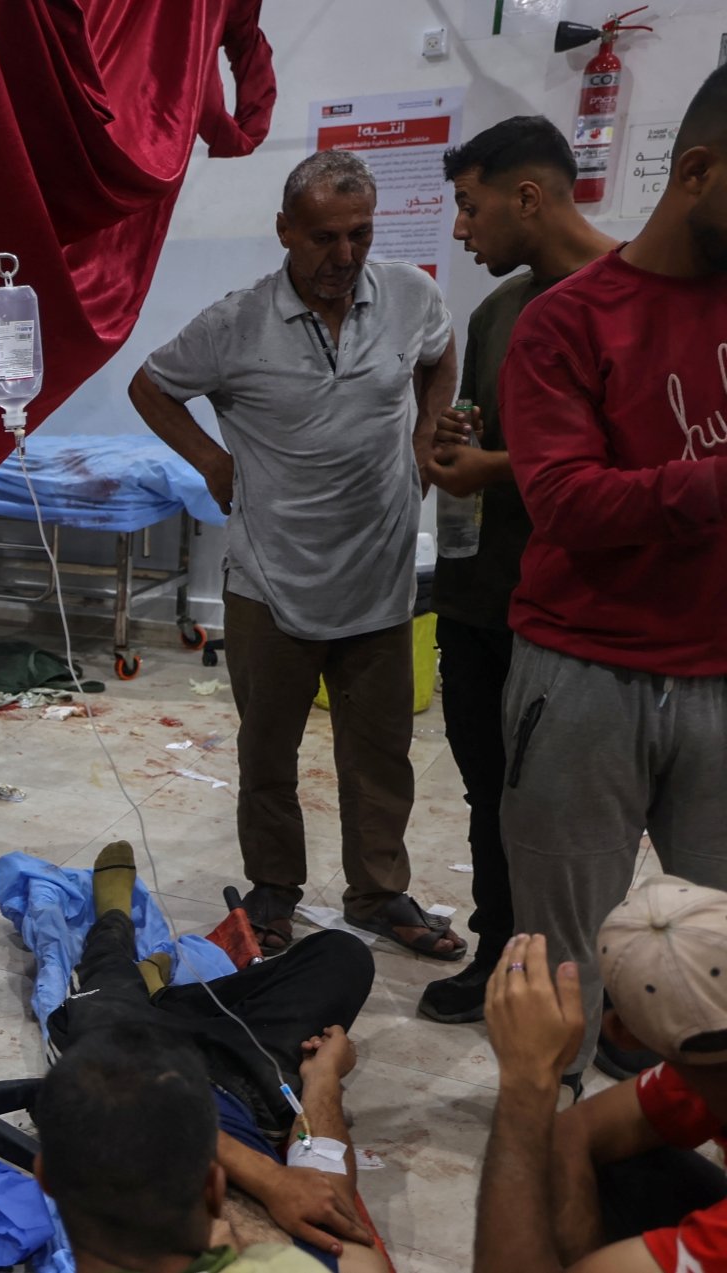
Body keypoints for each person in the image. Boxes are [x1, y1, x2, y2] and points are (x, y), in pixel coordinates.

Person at [130, 148, 465, 962]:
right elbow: (151, 385)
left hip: (379, 576)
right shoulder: (234, 322)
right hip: (270, 582)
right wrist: (211, 461)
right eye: (322, 237)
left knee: (379, 753)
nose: (342, 257)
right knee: (267, 752)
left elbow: (439, 352)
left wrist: (425, 433)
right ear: (285, 230)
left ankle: (380, 892)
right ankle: (275, 892)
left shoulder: (411, 295)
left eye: (358, 234)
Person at [496, 62, 727, 1086]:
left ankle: (683, 1178)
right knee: (564, 965)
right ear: (697, 172)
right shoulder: (566, 323)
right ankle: (546, 1173)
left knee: (711, 962)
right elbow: (568, 506)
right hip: (581, 670)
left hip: (718, 672)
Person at [415, 116, 620, 1026]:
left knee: (580, 818)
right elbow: (507, 435)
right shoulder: (502, 308)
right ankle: (502, 956)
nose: (461, 230)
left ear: (526, 197)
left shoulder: (635, 302)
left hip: (584, 615)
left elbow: (626, 461)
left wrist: (495, 465)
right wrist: (461, 441)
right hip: (481, 595)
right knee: (491, 790)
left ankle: (601, 987)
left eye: (470, 207)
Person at [48, 844, 382, 1270]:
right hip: (250, 1086)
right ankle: (164, 997)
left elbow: (127, 1119)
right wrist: (324, 1080)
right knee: (342, 953)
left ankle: (116, 927)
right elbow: (327, 1194)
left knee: (106, 985)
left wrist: (264, 1177)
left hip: (131, 1076)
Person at [475, 883, 727, 1273]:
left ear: (623, 1034)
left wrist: (527, 1083)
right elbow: (573, 1134)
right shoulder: (704, 1075)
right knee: (614, 1163)